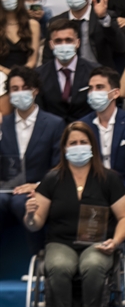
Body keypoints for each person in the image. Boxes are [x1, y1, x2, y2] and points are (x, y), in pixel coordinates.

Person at [23, 122, 125, 307]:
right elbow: (35, 224)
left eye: (83, 142)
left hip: (98, 243)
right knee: (59, 266)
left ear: (92, 146)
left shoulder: (109, 179)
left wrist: (115, 241)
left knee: (92, 265)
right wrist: (31, 214)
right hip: (60, 243)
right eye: (72, 143)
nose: (78, 147)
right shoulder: (52, 179)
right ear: (64, 148)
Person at [81, 66, 125, 279]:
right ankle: (88, 261)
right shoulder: (81, 126)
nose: (94, 92)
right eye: (91, 88)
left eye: (100, 87)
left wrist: (118, 191)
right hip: (90, 187)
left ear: (115, 93)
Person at [0, 66, 66, 253]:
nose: (19, 93)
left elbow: (58, 165)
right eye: (14, 89)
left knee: (24, 202)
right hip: (5, 187)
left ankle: (39, 257)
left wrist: (38, 185)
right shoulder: (2, 124)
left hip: (38, 187)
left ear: (35, 90)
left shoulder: (54, 123)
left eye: (24, 88)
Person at [50, 0, 125, 71]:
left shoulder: (105, 17)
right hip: (68, 76)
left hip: (101, 76)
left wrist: (103, 18)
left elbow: (121, 47)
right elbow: (48, 58)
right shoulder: (56, 22)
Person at [37, 18, 98, 122]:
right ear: (51, 44)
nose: (63, 45)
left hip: (87, 130)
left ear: (77, 43)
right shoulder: (39, 75)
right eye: (58, 41)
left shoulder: (95, 71)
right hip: (53, 133)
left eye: (68, 40)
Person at [0, 0, 40, 73]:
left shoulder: (33, 25)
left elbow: (32, 61)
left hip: (26, 76)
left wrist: (19, 76)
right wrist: (8, 73)